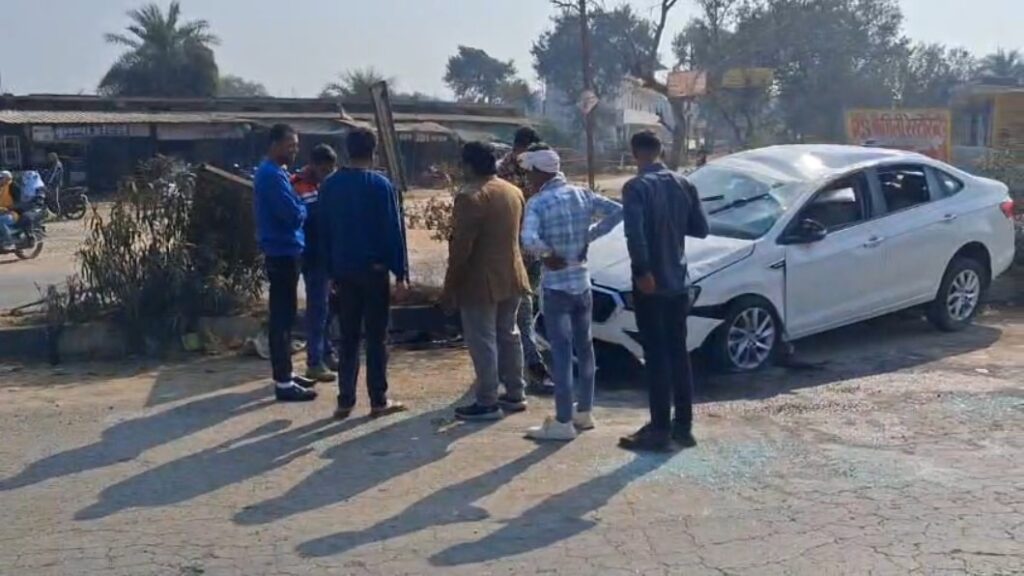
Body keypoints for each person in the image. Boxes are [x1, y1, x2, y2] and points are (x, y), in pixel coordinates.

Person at [519, 145, 623, 441]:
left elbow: (528, 239)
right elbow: (619, 211)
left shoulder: (538, 203)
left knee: (561, 354)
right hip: (582, 282)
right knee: (585, 347)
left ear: (540, 172)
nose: (529, 179)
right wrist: (589, 236)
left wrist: (546, 253)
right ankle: (585, 412)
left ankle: (563, 421)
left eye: (530, 173)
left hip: (556, 287)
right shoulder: (582, 194)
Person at [618, 131, 709, 452]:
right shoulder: (684, 184)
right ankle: (683, 427)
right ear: (660, 151)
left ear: (635, 153)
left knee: (656, 356)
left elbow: (634, 234)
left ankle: (659, 429)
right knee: (678, 353)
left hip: (651, 283)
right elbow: (701, 228)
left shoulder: (636, 188)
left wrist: (643, 270)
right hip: (679, 281)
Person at [318, 128, 408, 420]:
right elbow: (393, 231)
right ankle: (378, 399)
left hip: (343, 271)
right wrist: (400, 272)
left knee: (348, 336)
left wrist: (328, 270)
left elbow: (323, 231)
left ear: (347, 150)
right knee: (376, 337)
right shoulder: (381, 186)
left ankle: (345, 400)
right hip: (375, 272)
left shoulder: (330, 186)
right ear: (374, 150)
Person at [442, 141, 531, 421]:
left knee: (483, 342)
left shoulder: (470, 196)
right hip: (512, 274)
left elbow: (460, 250)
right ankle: (516, 393)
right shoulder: (512, 191)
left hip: (480, 280)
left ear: (468, 165)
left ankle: (487, 400)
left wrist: (450, 288)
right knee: (509, 335)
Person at [253, 124, 319, 402]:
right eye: (290, 145)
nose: (295, 150)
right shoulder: (271, 176)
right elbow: (292, 214)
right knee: (281, 317)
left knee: (288, 315)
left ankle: (287, 373)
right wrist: (303, 205)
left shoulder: (278, 174)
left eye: (296, 145)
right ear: (275, 144)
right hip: (281, 252)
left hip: (287, 249)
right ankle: (283, 382)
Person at [497, 126, 555, 395]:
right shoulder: (503, 174)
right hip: (513, 251)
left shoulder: (536, 171)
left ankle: (514, 368)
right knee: (521, 310)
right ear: (519, 148)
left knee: (525, 311)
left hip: (533, 252)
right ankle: (533, 367)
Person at [291, 144, 339, 383]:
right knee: (317, 309)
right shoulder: (298, 185)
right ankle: (314, 362)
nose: (326, 173)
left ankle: (327, 353)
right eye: (323, 169)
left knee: (329, 309)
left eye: (330, 170)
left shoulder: (328, 184)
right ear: (313, 165)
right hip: (312, 255)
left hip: (330, 255)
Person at [0, 171, 18, 251]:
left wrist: (8, 209)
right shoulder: (1, 188)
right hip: (2, 212)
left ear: (7, 179)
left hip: (12, 213)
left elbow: (19, 202)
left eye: (1, 178)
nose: (0, 180)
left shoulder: (13, 187)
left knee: (0, 221)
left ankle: (9, 242)